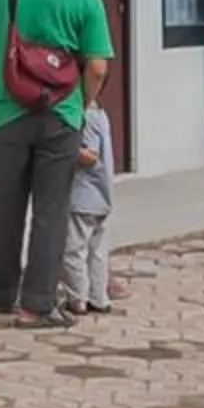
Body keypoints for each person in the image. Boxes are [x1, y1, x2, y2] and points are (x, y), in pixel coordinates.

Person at [0, 0, 113, 328]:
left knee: (2, 206)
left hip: (6, 112)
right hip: (61, 115)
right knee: (51, 209)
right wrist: (84, 102)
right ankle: (36, 302)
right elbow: (98, 65)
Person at [60, 98, 118, 315]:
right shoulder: (101, 114)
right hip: (102, 197)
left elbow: (90, 156)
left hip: (83, 196)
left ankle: (77, 299)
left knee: (72, 250)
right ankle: (98, 297)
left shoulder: (86, 116)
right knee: (98, 251)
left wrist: (61, 147)